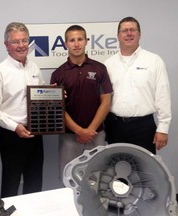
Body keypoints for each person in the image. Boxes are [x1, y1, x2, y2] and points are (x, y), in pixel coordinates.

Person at [50, 25, 113, 181]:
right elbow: (58, 109)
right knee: (69, 179)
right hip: (70, 138)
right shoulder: (58, 74)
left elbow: (106, 102)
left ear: (86, 41)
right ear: (66, 44)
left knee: (99, 180)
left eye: (80, 39)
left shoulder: (100, 69)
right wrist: (79, 131)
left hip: (96, 135)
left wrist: (90, 130)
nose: (76, 44)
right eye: (72, 40)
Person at [0, 22, 44, 198]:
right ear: (6, 45)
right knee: (11, 183)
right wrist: (15, 127)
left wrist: (55, 96)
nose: (21, 45)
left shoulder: (34, 68)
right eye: (15, 42)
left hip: (36, 132)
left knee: (35, 181)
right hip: (11, 135)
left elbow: (42, 96)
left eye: (24, 41)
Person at [104, 16, 171, 154]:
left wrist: (163, 128)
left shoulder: (154, 60)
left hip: (143, 127)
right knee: (116, 171)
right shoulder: (108, 64)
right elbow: (103, 99)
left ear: (139, 34)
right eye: (125, 31)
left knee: (144, 171)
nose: (129, 33)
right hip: (114, 126)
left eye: (132, 30)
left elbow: (163, 95)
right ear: (118, 36)